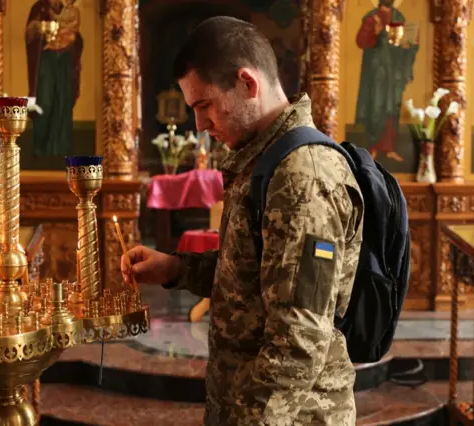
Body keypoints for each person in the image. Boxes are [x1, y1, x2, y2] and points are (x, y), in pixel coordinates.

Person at [121, 16, 364, 426]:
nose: (199, 124)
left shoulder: (303, 176)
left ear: (247, 83)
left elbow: (298, 343)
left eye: (204, 105)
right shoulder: (265, 159)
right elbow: (255, 274)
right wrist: (175, 268)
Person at [355, 0, 419, 162]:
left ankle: (389, 148)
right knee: (376, 107)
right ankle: (373, 146)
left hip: (394, 73)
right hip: (377, 73)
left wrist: (411, 45)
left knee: (392, 109)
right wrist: (374, 34)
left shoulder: (399, 17)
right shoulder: (372, 18)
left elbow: (404, 46)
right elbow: (361, 42)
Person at [25, 0, 83, 157]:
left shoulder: (70, 9)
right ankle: (40, 148)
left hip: (65, 60)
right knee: (45, 100)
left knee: (63, 100)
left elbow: (76, 36)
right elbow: (30, 34)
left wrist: (71, 39)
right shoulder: (39, 8)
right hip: (46, 59)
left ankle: (61, 148)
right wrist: (38, 27)